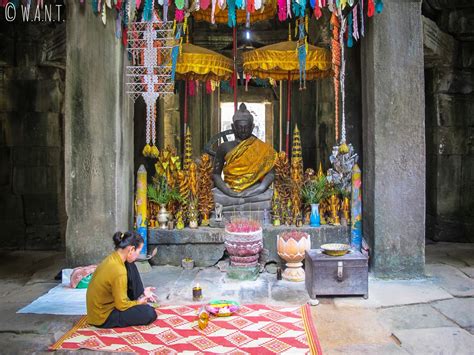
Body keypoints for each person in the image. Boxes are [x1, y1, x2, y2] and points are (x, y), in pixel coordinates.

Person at [86, 231, 158, 328]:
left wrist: (142, 291)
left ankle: (141, 294)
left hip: (101, 308)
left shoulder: (114, 257)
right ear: (132, 249)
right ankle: (139, 302)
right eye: (138, 252)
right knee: (149, 313)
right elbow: (121, 305)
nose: (138, 255)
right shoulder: (119, 270)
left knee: (130, 263)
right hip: (103, 316)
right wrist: (138, 303)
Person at [212, 103, 276, 211]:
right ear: (233, 127)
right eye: (240, 127)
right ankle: (238, 201)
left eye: (246, 127)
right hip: (230, 190)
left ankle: (240, 202)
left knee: (270, 196)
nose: (243, 130)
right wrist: (228, 191)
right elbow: (216, 174)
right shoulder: (224, 147)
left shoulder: (262, 148)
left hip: (255, 189)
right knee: (214, 198)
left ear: (252, 127)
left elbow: (271, 173)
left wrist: (261, 188)